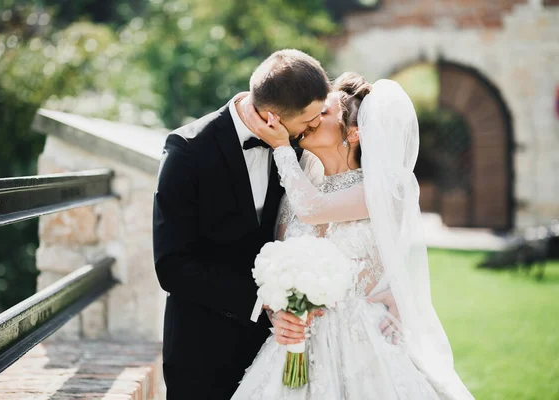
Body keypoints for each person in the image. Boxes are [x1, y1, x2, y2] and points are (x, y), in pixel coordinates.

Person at [231, 73, 474, 399]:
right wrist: (281, 309)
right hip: (295, 346)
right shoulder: (297, 191)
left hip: (363, 343)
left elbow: (313, 210)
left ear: (355, 132)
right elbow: (279, 259)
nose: (312, 118)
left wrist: (280, 147)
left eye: (324, 113)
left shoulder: (382, 190)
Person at [152, 49, 331, 400]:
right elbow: (171, 266)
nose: (314, 126)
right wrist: (262, 304)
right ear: (271, 118)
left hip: (273, 356)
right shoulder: (187, 151)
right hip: (202, 350)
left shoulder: (296, 151)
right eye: (308, 120)